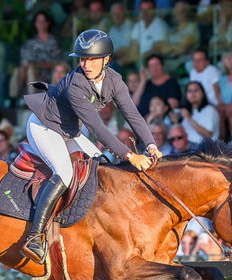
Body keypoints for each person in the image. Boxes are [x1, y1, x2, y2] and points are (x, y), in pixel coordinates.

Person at [21, 29, 161, 263]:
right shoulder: (76, 84)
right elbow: (98, 128)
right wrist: (130, 156)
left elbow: (133, 115)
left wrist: (151, 145)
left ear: (107, 59)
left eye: (92, 59)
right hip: (44, 127)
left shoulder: (115, 80)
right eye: (83, 59)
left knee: (102, 164)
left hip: (69, 130)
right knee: (65, 173)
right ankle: (35, 237)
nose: (86, 64)